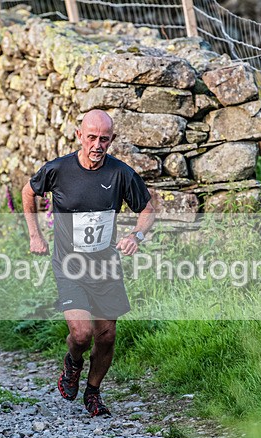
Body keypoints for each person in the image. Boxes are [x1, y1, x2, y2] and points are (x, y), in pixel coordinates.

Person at [21, 109, 156, 417]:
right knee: (81, 334)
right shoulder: (59, 170)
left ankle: (93, 392)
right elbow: (29, 191)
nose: (97, 144)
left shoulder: (120, 174)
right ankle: (73, 363)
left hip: (106, 267)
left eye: (104, 139)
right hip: (69, 264)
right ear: (79, 135)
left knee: (107, 335)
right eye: (91, 137)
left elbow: (147, 209)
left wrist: (136, 235)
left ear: (112, 140)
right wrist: (35, 235)